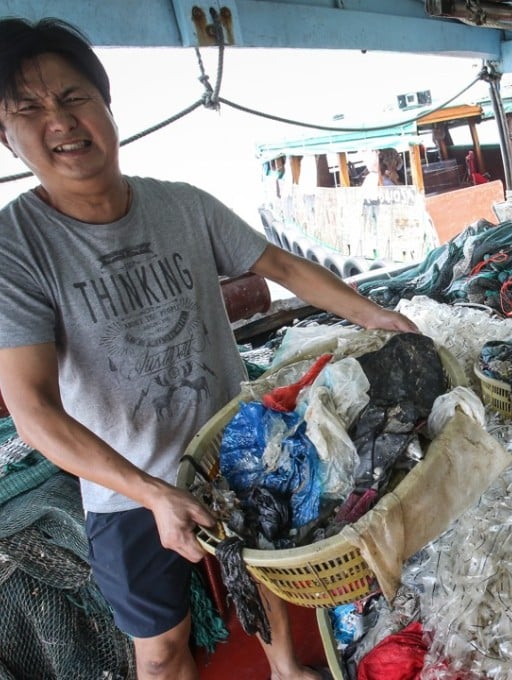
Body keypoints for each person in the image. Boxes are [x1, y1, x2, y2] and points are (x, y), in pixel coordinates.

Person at [0, 17, 418, 680]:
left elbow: (281, 265)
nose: (60, 120)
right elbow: (32, 409)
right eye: (28, 109)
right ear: (7, 136)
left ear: (107, 107)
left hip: (239, 458)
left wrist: (377, 315)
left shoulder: (183, 205)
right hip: (128, 495)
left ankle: (287, 671)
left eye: (74, 97)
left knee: (266, 583)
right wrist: (153, 494)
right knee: (163, 650)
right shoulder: (15, 248)